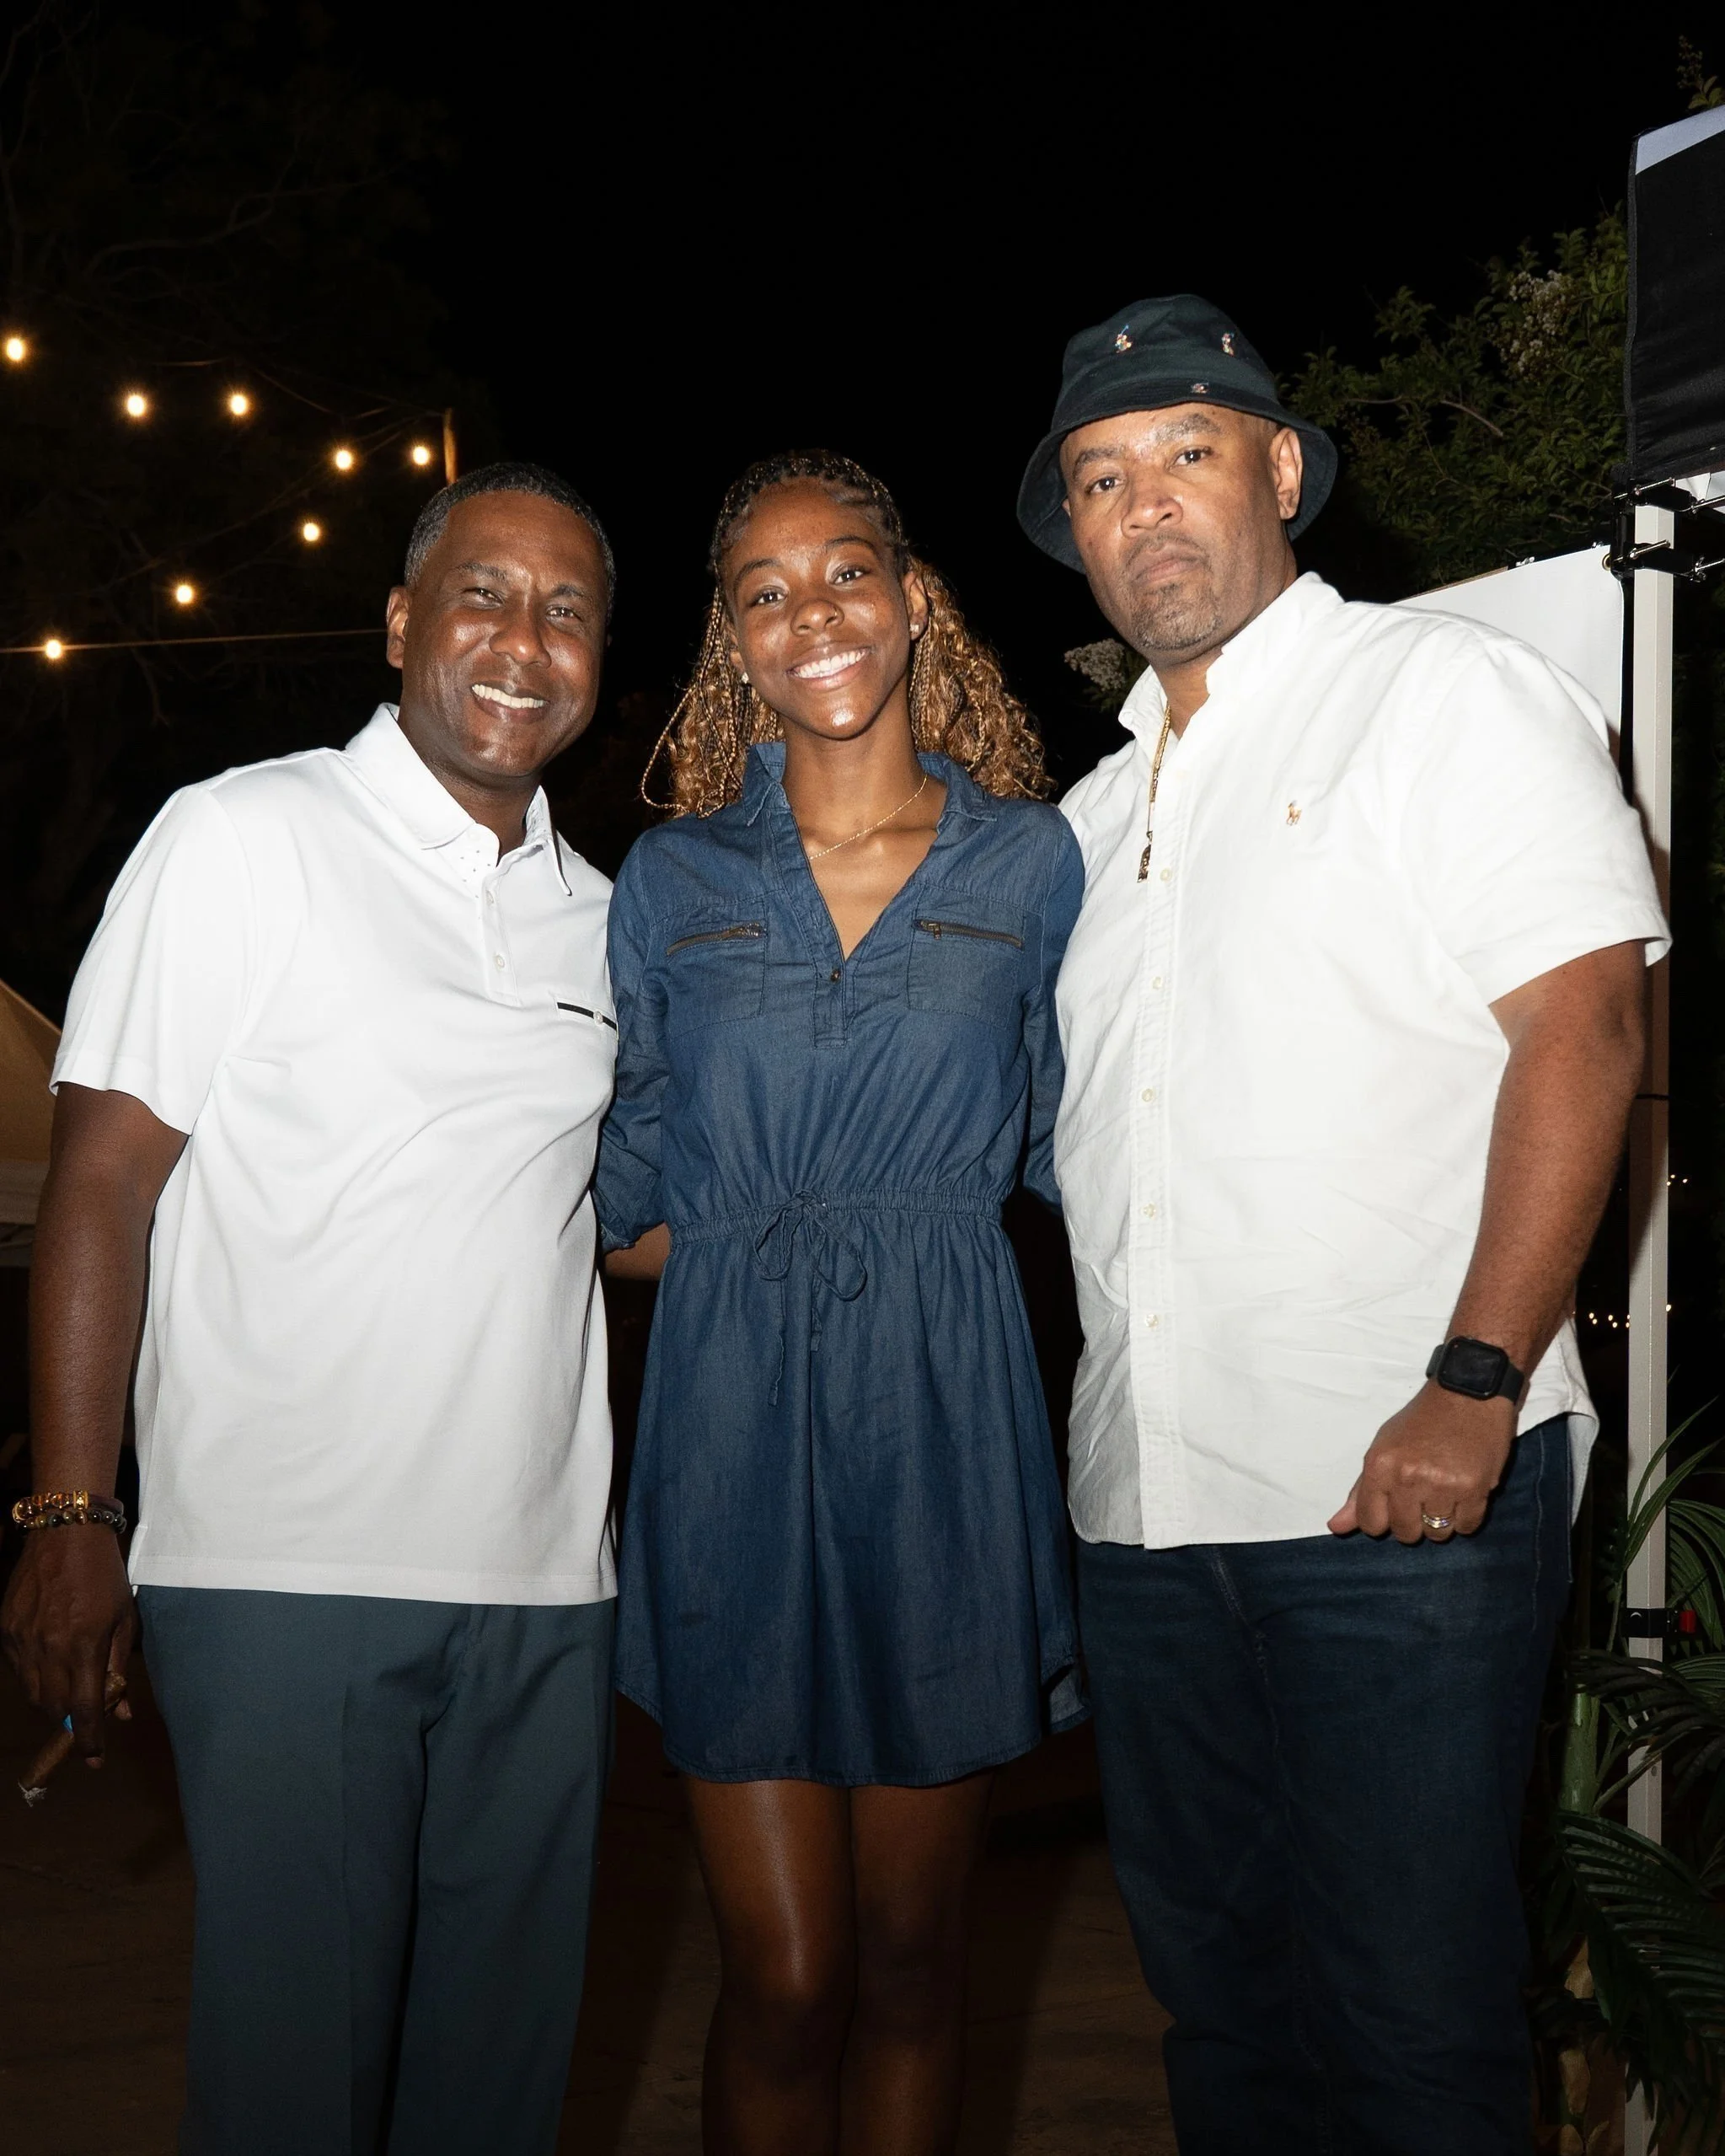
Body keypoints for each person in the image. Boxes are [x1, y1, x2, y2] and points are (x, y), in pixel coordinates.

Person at [1015, 295, 1669, 2154]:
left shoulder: (1438, 691)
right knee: (1223, 2017)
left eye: (1188, 455)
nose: (1146, 508)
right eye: (1101, 479)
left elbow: (1586, 1021)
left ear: (1283, 468)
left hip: (1396, 1499)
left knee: (1408, 2024)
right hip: (1147, 1517)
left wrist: (1474, 1379)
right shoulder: (1088, 817)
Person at [1, 463, 620, 2156]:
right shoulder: (242, 834)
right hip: (287, 1581)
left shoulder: (607, 920)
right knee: (297, 2086)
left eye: (569, 611)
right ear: (405, 620)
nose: (525, 638)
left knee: (496, 2095)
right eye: (487, 593)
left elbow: (607, 1221)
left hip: (549, 1587)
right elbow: (104, 1180)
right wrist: (70, 1510)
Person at [599, 450, 1084, 2156]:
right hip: (729, 1436)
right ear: (732, 637)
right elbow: (622, 1197)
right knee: (788, 1975)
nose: (815, 613)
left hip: (947, 1429)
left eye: (847, 570)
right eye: (765, 588)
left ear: (913, 595)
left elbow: (1084, 1141)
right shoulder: (671, 883)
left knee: (909, 1958)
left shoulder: (1035, 867)